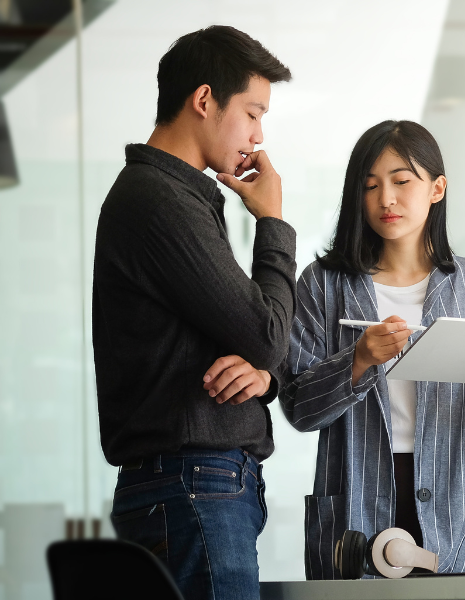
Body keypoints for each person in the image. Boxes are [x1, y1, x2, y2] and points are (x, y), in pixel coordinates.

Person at [276, 120, 465, 579]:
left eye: (401, 181)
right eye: (370, 186)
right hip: (357, 501)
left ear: (437, 188)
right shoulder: (323, 284)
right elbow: (299, 408)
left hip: (458, 510)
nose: (385, 200)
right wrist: (357, 361)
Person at [93, 26, 294, 600]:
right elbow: (266, 331)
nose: (259, 136)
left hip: (192, 487)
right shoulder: (159, 200)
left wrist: (263, 374)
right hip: (192, 487)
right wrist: (273, 224)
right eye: (253, 113)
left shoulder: (172, 198)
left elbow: (252, 342)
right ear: (204, 100)